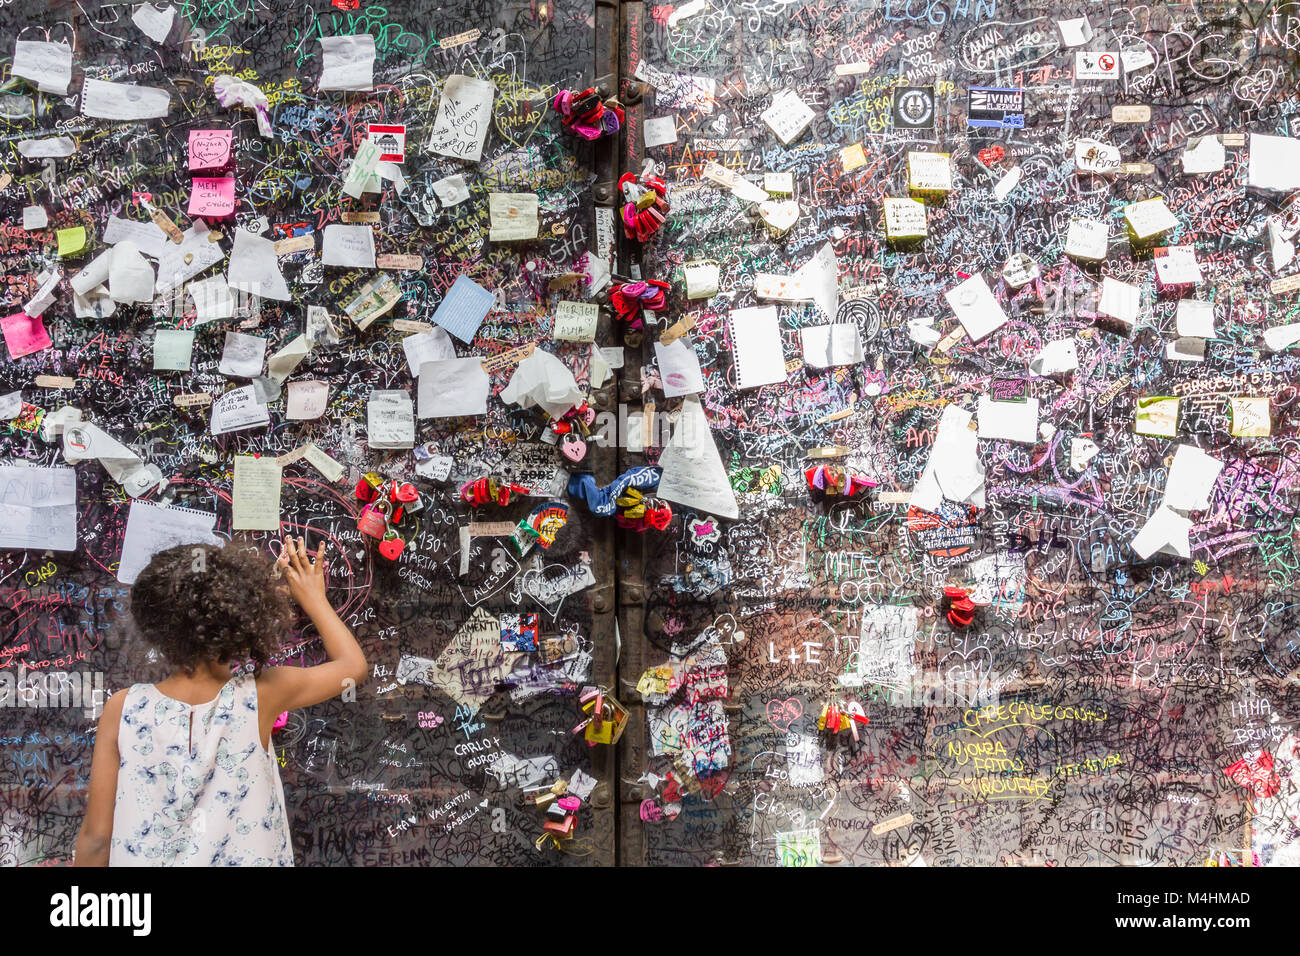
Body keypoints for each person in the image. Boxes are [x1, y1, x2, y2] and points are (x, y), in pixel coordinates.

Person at [74, 536, 366, 866]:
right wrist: (314, 599)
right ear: (242, 618)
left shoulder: (123, 708)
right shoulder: (262, 694)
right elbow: (352, 668)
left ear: (153, 624)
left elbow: (97, 838)